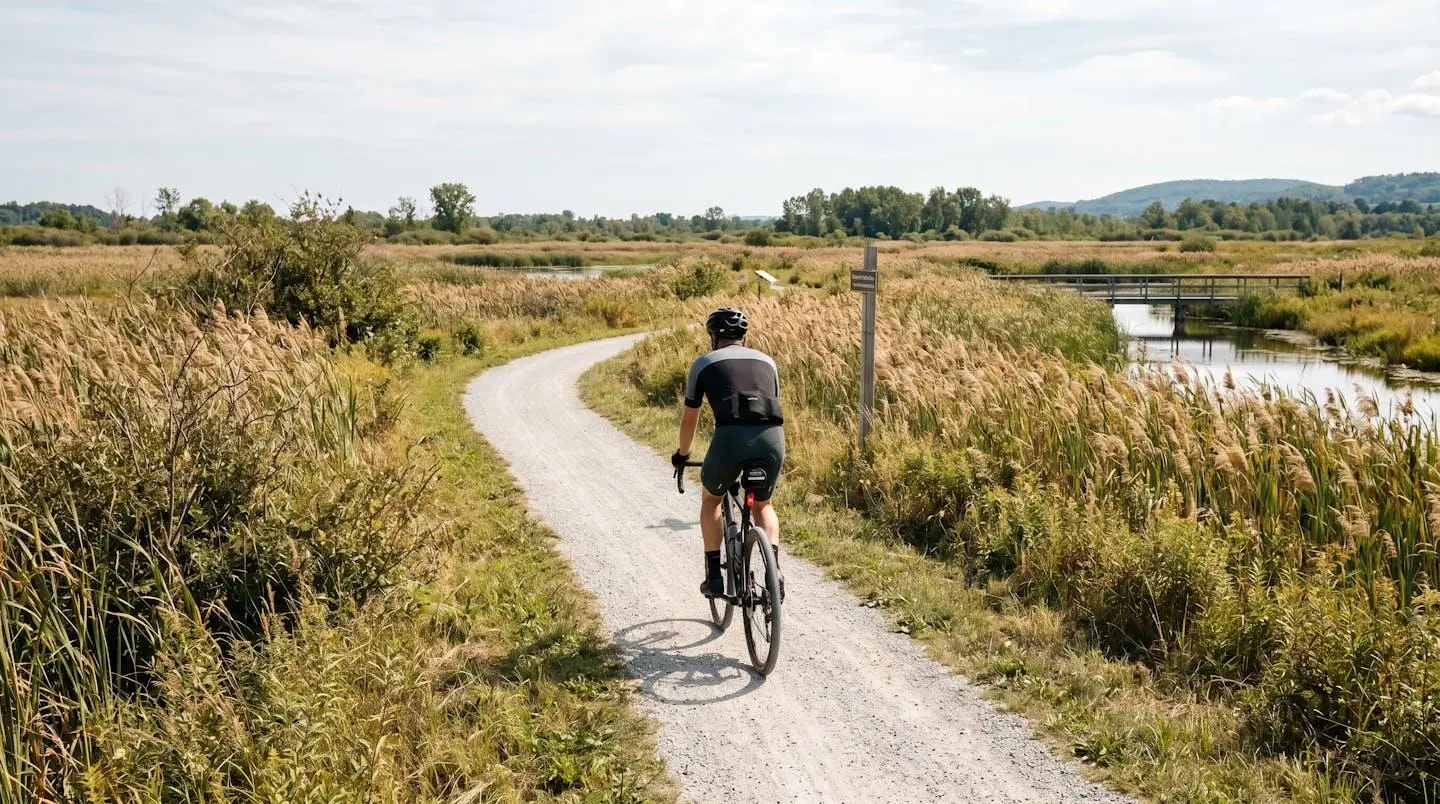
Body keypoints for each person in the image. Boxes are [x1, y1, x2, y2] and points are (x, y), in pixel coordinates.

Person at [671, 307, 785, 598]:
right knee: (763, 505)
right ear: (744, 337)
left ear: (713, 338)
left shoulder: (703, 364)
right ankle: (774, 574)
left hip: (730, 440)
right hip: (772, 439)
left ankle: (714, 577)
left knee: (712, 500)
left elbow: (689, 419)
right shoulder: (768, 362)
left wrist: (683, 455)